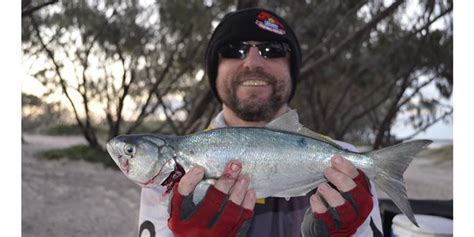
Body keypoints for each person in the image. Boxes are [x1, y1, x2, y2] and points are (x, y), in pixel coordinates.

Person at [138, 8, 383, 237]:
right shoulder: (171, 175)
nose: (253, 62)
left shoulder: (348, 164)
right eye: (234, 49)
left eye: (272, 49)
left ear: (291, 69)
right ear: (215, 70)